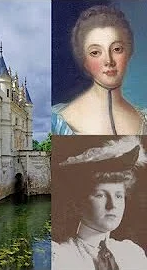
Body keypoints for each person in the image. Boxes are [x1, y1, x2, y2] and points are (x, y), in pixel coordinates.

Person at [52, 136, 147, 269]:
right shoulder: (61, 257)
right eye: (100, 195)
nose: (112, 205)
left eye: (119, 196)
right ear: (79, 202)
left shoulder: (132, 254)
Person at [52, 5, 147, 135]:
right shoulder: (57, 121)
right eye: (95, 52)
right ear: (84, 60)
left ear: (128, 52)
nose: (109, 61)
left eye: (117, 49)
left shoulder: (144, 119)